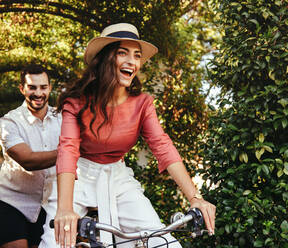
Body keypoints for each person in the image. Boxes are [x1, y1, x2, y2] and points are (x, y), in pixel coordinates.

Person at [54, 23, 216, 248]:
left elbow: (162, 146)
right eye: (123, 53)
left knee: (162, 242)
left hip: (118, 177)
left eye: (137, 56)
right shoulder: (77, 102)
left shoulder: (142, 103)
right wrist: (64, 208)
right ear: (104, 59)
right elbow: (68, 149)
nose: (132, 61)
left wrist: (195, 198)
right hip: (80, 176)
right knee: (56, 239)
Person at [0, 64, 61, 248]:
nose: (38, 93)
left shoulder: (63, 119)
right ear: (22, 89)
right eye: (32, 87)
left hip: (50, 203)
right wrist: (70, 151)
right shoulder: (8, 122)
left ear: (50, 88)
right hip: (14, 202)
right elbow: (28, 160)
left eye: (43, 87)